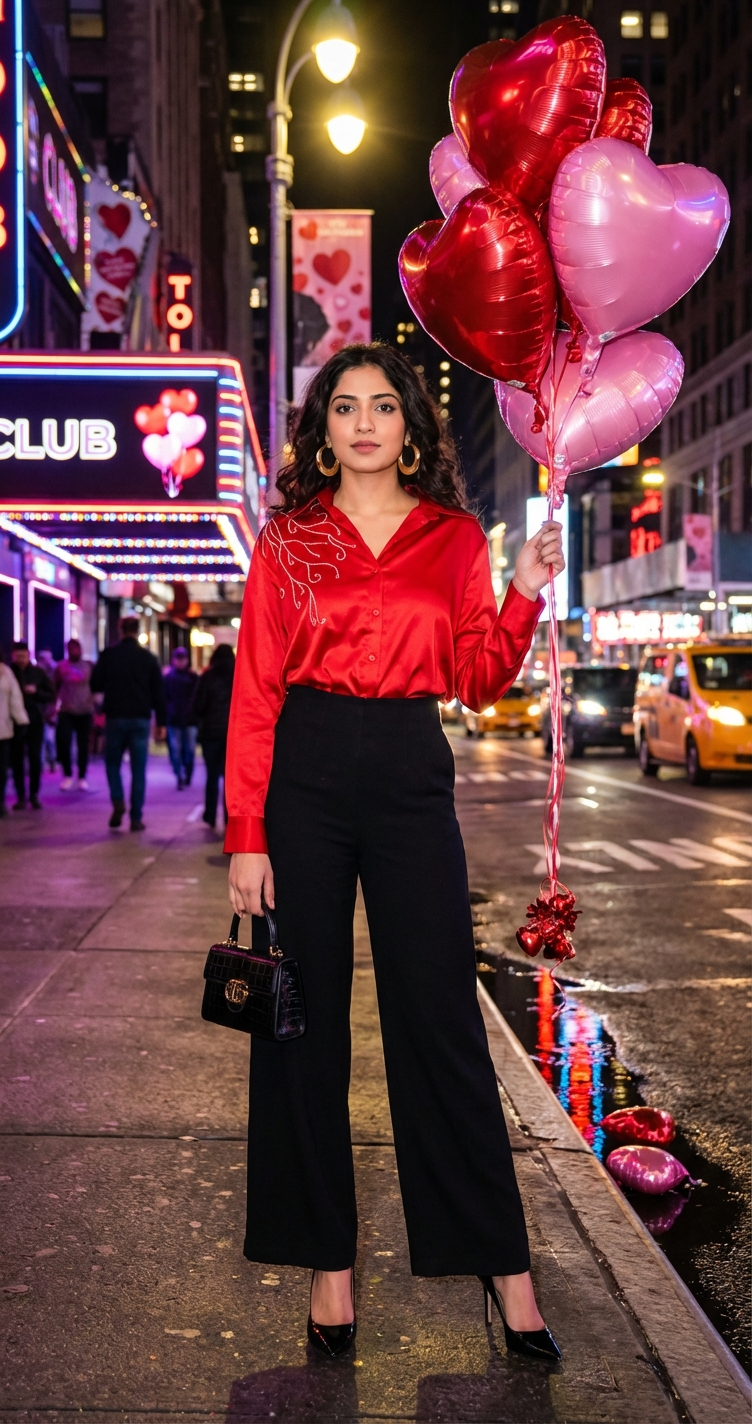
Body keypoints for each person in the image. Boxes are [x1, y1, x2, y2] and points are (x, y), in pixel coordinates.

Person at [225, 344, 565, 1362]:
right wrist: (247, 832)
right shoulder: (289, 540)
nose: (363, 421)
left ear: (411, 426)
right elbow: (252, 691)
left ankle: (504, 1268)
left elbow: (476, 679)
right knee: (302, 1026)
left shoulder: (453, 537)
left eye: (381, 405)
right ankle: (329, 1263)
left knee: (439, 1019)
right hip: (306, 774)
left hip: (413, 771)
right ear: (320, 430)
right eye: (343, 407)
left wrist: (520, 590)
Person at [91, 616, 167, 831]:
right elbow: (159, 693)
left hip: (115, 717)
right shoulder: (148, 658)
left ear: (120, 629)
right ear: (138, 630)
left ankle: (117, 800)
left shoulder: (109, 656)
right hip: (141, 718)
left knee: (113, 763)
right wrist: (161, 722)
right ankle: (136, 817)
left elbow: (95, 683)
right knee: (138, 769)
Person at [192, 642, 235, 828]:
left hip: (211, 731)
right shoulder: (238, 676)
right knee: (230, 779)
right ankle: (229, 818)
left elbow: (198, 705)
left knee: (211, 775)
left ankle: (210, 815)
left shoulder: (207, 676)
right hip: (233, 733)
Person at [10, 642, 54, 809]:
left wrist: (36, 692)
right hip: (14, 722)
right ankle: (21, 796)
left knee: (35, 757)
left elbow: (50, 694)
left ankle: (34, 794)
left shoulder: (38, 673)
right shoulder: (9, 672)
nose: (20, 659)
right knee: (17, 759)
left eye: (23, 656)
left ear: (29, 655)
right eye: (18, 656)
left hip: (35, 720)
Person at [54, 638, 95, 790]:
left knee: (83, 744)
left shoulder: (88, 665)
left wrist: (96, 701)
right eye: (71, 649)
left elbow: (95, 685)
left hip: (85, 709)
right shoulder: (61, 667)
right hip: (66, 709)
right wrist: (53, 706)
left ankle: (82, 776)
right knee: (64, 741)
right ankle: (67, 774)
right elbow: (55, 686)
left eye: (76, 648)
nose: (74, 651)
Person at [163, 646, 199, 789]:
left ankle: (186, 773)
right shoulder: (168, 678)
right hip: (175, 719)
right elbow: (164, 698)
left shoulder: (192, 677)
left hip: (188, 719)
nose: (180, 662)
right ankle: (180, 775)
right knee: (176, 749)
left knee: (188, 749)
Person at [0, 648, 29, 815]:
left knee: (1, 769)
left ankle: (0, 802)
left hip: (2, 730)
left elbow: (15, 699)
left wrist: (21, 720)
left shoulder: (5, 672)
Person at [36, 650, 58, 774]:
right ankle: (44, 763)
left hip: (49, 712)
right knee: (44, 739)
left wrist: (53, 711)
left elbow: (53, 696)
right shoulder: (37, 673)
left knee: (49, 739)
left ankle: (51, 761)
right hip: (39, 712)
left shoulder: (53, 673)